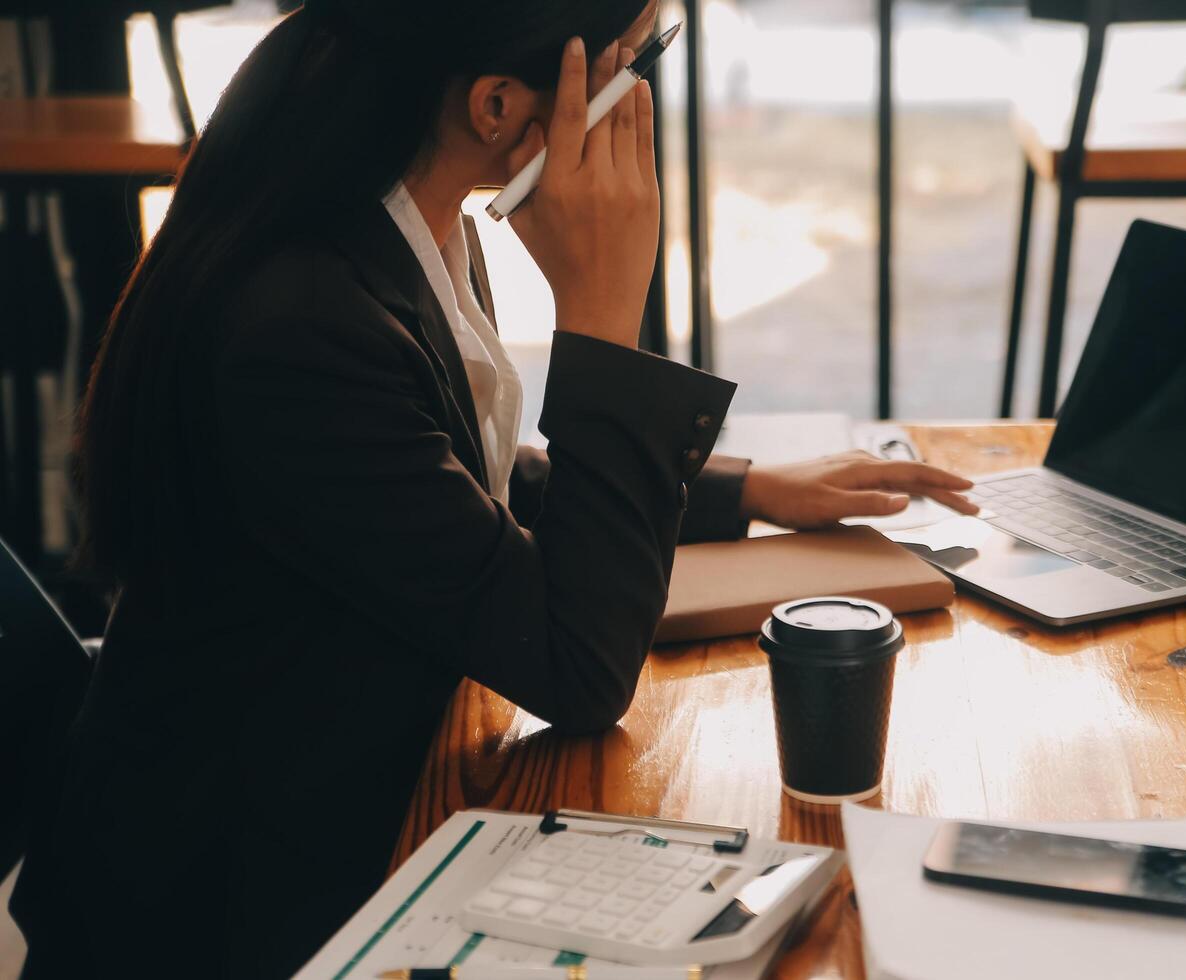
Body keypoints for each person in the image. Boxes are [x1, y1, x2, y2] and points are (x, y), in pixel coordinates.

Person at [11, 1, 978, 975]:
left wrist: (751, 487)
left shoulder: (402, 221)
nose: (637, 96)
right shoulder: (300, 324)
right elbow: (577, 669)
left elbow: (447, 474)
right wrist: (602, 312)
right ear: (496, 106)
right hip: (230, 907)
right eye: (627, 63)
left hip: (335, 797)